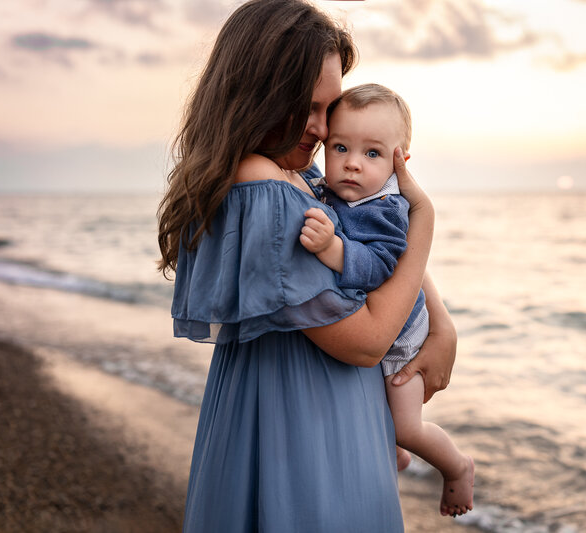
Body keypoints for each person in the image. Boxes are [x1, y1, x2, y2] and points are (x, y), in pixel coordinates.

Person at [155, 1, 457, 531]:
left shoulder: (297, 178)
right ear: (258, 94)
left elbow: (371, 238)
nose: (321, 129)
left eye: (328, 109)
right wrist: (425, 218)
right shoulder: (263, 185)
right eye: (308, 108)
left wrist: (442, 319)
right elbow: (366, 343)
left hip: (319, 409)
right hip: (304, 422)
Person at [300, 83, 474, 517]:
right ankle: (394, 451)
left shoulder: (386, 208)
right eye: (340, 147)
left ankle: (456, 467)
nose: (353, 164)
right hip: (380, 326)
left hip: (403, 342)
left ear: (400, 163)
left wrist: (332, 250)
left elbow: (381, 264)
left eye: (373, 154)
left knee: (407, 424)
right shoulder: (333, 191)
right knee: (380, 414)